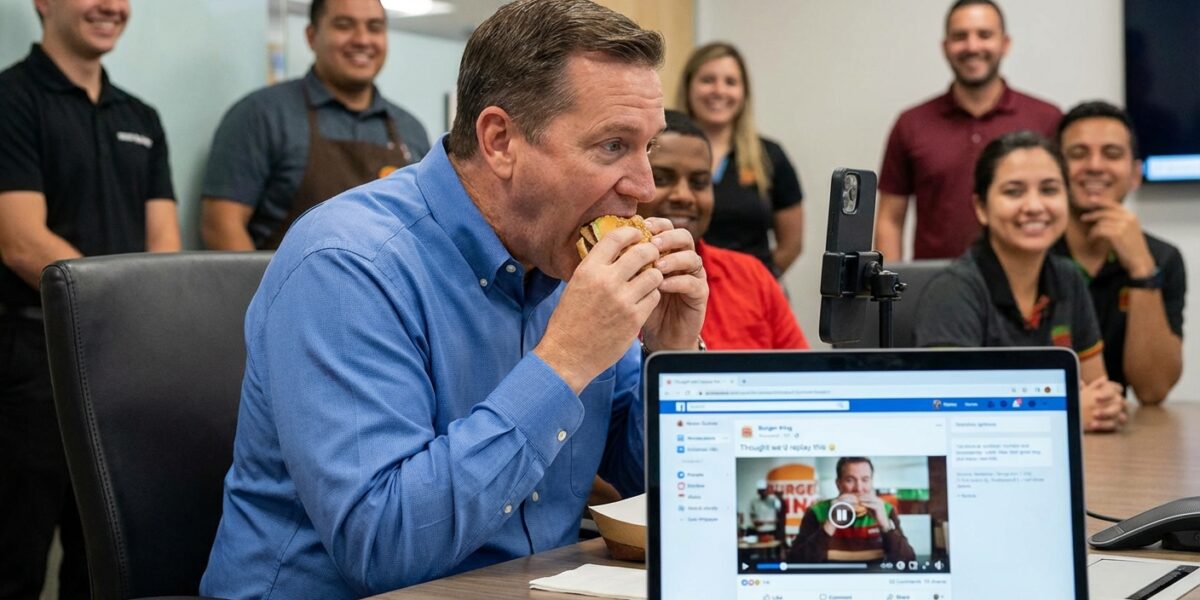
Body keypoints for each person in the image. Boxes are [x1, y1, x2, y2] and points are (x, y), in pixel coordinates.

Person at [200, 1, 707, 597]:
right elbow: (382, 549)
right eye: (612, 146)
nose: (645, 187)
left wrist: (671, 361)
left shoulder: (567, 260)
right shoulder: (348, 263)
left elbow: (663, 492)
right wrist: (564, 362)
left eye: (648, 147)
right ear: (500, 141)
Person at [0, 0, 181, 597]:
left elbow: (164, 244)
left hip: (125, 364)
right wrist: (123, 307)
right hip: (32, 362)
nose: (111, 6)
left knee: (106, 563)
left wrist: (143, 326)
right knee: (15, 556)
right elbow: (21, 241)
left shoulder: (142, 117)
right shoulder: (12, 100)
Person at [912, 131, 1126, 432]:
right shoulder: (952, 291)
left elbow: (1095, 388)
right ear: (981, 208)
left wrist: (1106, 404)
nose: (1035, 206)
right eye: (1014, 192)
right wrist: (1066, 412)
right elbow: (950, 412)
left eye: (1049, 190)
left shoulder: (1068, 278)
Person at [200, 0, 430, 250]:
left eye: (374, 27)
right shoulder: (261, 115)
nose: (363, 39)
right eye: (344, 25)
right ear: (311, 36)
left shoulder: (411, 130)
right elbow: (221, 225)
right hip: (286, 276)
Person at [874, 0, 1061, 261]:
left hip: (1026, 279)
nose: (972, 46)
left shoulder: (1046, 118)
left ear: (1005, 43)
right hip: (935, 281)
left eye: (984, 35)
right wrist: (889, 285)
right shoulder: (911, 123)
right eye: (960, 36)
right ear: (945, 47)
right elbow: (890, 219)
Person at [639, 109, 808, 349]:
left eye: (699, 183)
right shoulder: (603, 281)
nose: (683, 196)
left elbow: (800, 370)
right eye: (661, 179)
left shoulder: (752, 277)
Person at [1053, 101, 1185, 405]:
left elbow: (1153, 390)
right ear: (1055, 168)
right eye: (1078, 154)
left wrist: (1142, 270)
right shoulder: (1030, 252)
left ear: (1135, 174)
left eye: (1111, 154)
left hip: (1118, 423)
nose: (1095, 166)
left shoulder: (1163, 258)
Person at [679, 42, 804, 278]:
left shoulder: (770, 156)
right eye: (707, 80)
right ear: (688, 86)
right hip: (676, 288)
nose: (719, 90)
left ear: (744, 92)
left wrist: (758, 284)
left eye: (730, 82)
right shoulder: (661, 150)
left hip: (751, 293)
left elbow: (791, 245)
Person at [787, 458, 915, 564]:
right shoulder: (816, 511)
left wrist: (886, 526)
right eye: (850, 480)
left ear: (871, 482)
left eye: (865, 480)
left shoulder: (886, 510)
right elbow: (795, 561)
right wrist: (830, 523)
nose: (858, 488)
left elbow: (908, 562)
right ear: (838, 484)